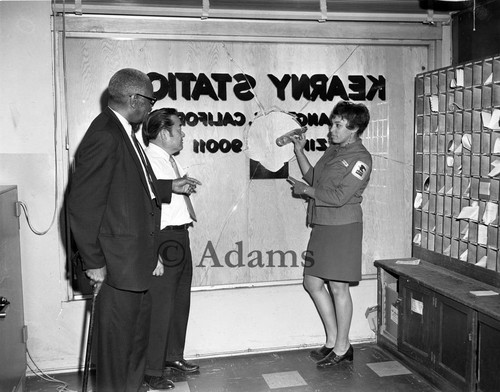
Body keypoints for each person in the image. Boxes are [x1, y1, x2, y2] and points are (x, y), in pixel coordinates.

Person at [68, 68, 200, 392]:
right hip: (114, 265)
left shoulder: (125, 132)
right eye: (150, 101)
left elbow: (135, 185)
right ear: (134, 99)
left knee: (134, 341)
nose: (151, 108)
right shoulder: (105, 134)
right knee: (116, 350)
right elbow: (81, 205)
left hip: (134, 261)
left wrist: (170, 188)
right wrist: (93, 262)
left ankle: (134, 386)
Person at [289, 100, 372, 368]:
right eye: (331, 123)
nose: (331, 130)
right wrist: (299, 151)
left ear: (355, 127)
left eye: (337, 125)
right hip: (323, 225)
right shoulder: (334, 150)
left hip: (343, 227)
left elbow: (338, 197)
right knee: (312, 283)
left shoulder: (361, 159)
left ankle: (343, 347)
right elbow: (315, 178)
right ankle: (333, 340)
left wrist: (306, 191)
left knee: (338, 287)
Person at [142, 108, 200, 388]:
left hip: (179, 237)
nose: (183, 134)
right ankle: (152, 370)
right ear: (164, 133)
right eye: (179, 129)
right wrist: (154, 251)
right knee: (161, 306)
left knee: (179, 302)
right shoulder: (148, 160)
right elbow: (145, 202)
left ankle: (172, 355)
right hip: (163, 240)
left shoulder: (166, 160)